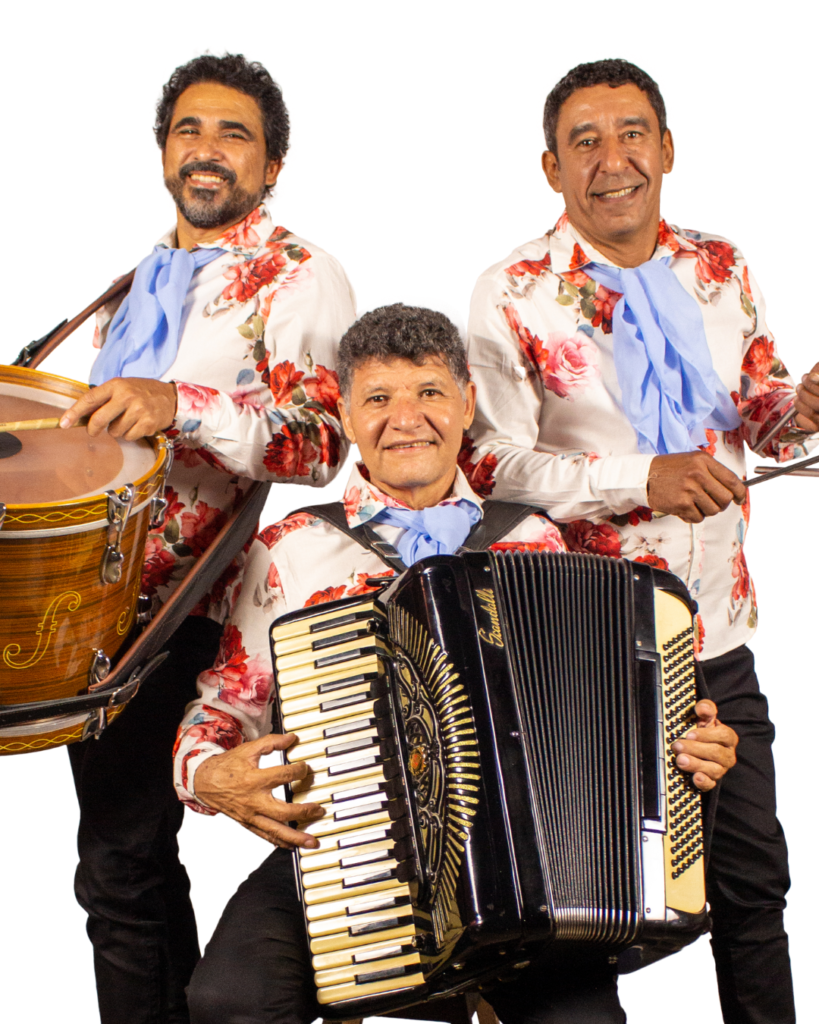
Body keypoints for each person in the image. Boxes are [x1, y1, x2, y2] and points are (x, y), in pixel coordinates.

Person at [172, 303, 738, 1024]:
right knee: (228, 1001)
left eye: (429, 392)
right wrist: (206, 773)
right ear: (345, 415)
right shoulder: (291, 548)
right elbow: (222, 708)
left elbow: (609, 715)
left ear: (467, 405)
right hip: (349, 850)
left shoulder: (532, 536)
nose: (405, 418)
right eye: (378, 398)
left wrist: (690, 746)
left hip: (531, 867)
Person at [463, 58, 819, 1024]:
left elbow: (755, 410)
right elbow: (487, 464)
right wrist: (639, 477)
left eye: (630, 134)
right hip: (590, 646)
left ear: (666, 149)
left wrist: (800, 410)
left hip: (717, 636)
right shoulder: (510, 291)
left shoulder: (721, 267)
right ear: (551, 168)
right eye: (583, 141)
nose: (610, 159)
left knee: (753, 889)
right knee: (592, 903)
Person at [57, 53, 356, 1024]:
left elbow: (322, 441)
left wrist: (175, 403)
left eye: (235, 134)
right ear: (162, 152)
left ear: (271, 166)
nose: (208, 149)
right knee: (121, 865)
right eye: (189, 129)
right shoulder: (141, 281)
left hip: (196, 606)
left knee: (125, 860)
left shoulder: (301, 276)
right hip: (103, 604)